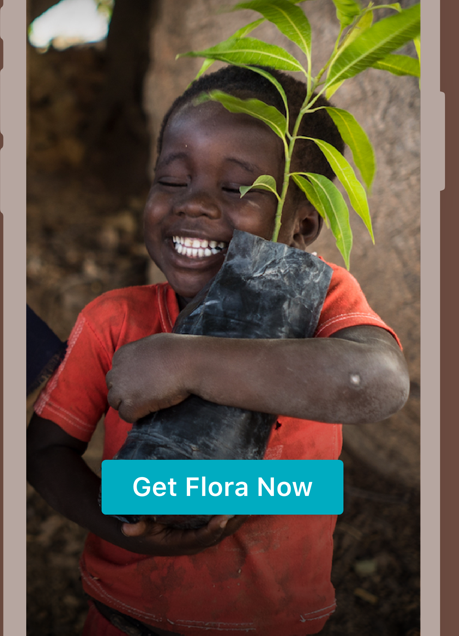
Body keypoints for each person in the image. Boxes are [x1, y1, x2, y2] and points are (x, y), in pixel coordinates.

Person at [27, 66, 410, 636]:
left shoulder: (321, 302)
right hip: (124, 616)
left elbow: (379, 382)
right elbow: (45, 451)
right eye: (172, 180)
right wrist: (122, 526)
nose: (195, 205)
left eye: (235, 189)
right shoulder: (115, 319)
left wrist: (186, 363)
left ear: (302, 224)